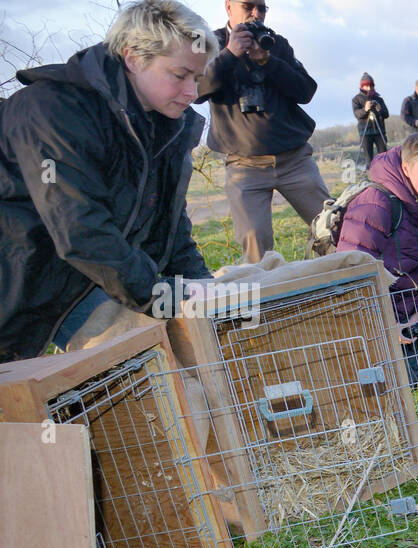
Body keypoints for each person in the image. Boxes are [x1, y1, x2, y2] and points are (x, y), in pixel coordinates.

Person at [0, 0, 217, 362]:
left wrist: (205, 288)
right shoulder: (53, 111)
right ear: (132, 58)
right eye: (180, 76)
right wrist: (162, 295)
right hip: (19, 279)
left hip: (87, 280)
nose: (192, 93)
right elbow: (79, 229)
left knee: (153, 362)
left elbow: (169, 222)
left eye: (197, 78)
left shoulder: (166, 125)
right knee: (18, 401)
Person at [196, 0, 330, 264]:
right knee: (256, 247)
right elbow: (196, 90)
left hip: (294, 160)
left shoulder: (276, 43)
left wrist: (268, 61)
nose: (256, 13)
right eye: (248, 6)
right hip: (244, 166)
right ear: (228, 7)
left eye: (262, 7)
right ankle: (266, 303)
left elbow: (306, 91)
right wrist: (229, 54)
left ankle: (337, 291)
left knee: (332, 227)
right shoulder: (205, 42)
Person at [337, 132, 418, 387]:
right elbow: (351, 273)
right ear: (407, 168)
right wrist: (385, 323)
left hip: (409, 315)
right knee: (386, 391)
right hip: (371, 317)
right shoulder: (375, 204)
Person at [352, 73, 389, 166]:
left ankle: (384, 176)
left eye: (370, 85)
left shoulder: (379, 99)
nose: (368, 88)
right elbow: (357, 114)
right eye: (366, 86)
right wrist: (365, 109)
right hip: (365, 132)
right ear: (362, 86)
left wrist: (379, 109)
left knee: (384, 156)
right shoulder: (356, 99)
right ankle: (371, 176)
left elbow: (386, 114)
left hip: (379, 131)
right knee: (369, 158)